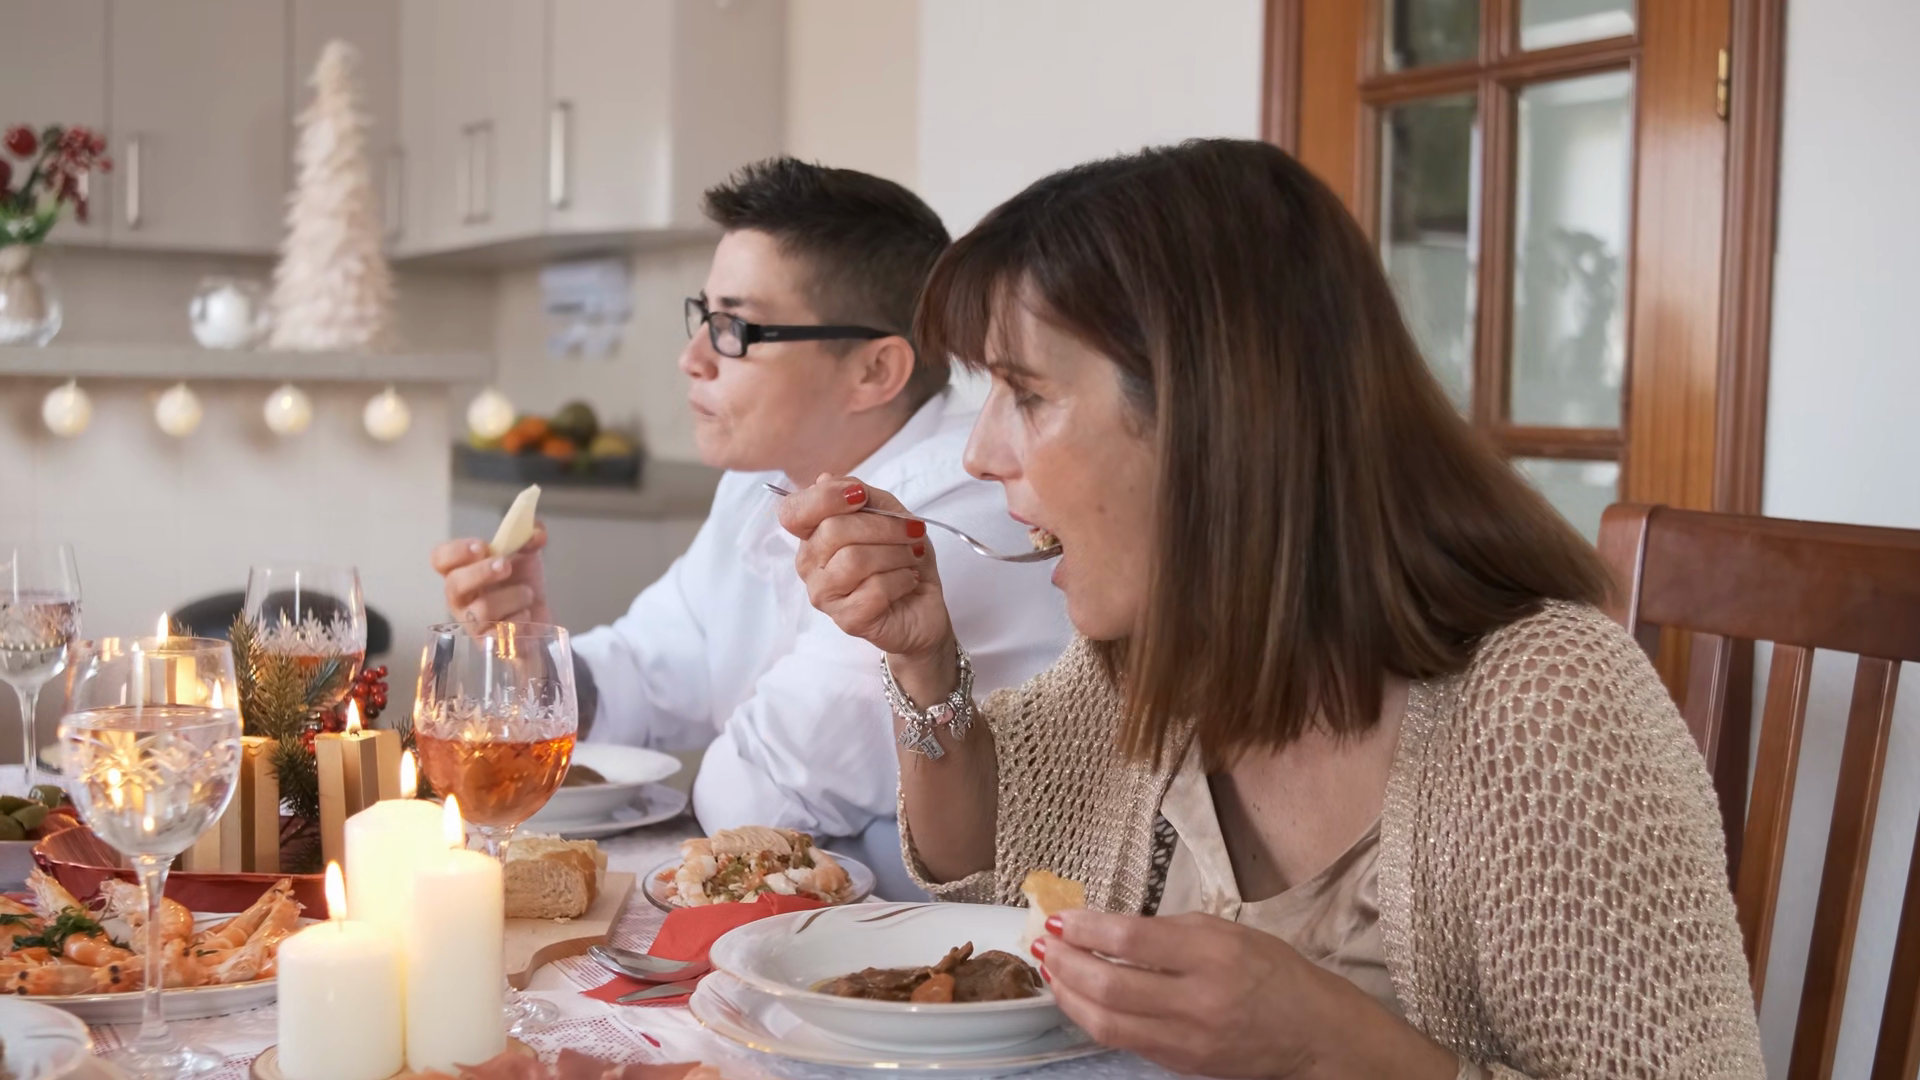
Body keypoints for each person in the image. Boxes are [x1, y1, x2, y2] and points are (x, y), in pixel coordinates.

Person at [779, 140, 1764, 1077]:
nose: (979, 453)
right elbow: (987, 859)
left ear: (1212, 414)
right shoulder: (1160, 656)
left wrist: (1328, 1048)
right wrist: (922, 660)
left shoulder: (1550, 706)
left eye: (1027, 394)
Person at [433, 158, 1072, 898]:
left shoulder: (950, 511)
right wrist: (530, 650)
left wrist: (718, 768)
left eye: (734, 327)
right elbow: (646, 671)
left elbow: (756, 803)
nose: (693, 358)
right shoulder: (761, 482)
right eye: (703, 316)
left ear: (874, 371)